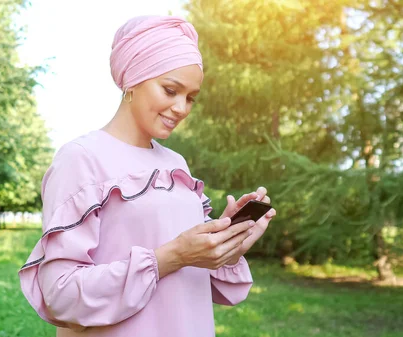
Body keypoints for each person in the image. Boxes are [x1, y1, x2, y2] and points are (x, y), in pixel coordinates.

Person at [19, 15, 276, 337]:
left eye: (191, 97)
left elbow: (196, 279)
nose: (182, 108)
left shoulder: (176, 164)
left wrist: (224, 241)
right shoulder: (81, 158)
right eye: (170, 90)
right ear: (133, 80)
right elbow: (61, 294)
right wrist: (171, 256)